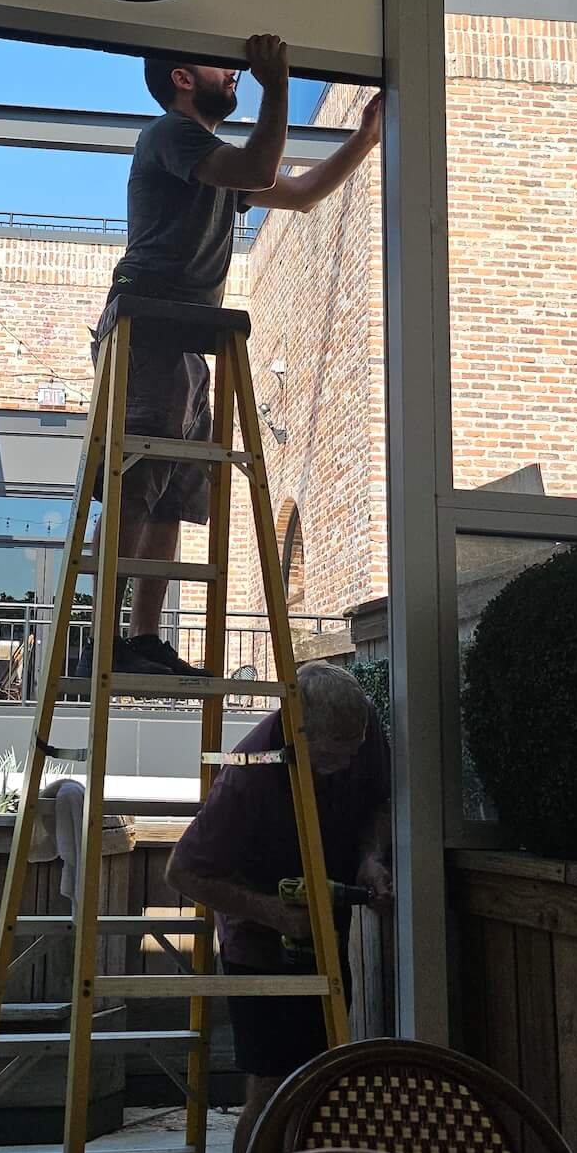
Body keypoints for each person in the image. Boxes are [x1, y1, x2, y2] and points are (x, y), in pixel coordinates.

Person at [89, 37, 384, 676]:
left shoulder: (217, 162)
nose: (234, 73)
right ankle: (103, 640)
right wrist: (277, 85)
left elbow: (300, 193)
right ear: (182, 78)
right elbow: (256, 168)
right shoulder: (169, 135)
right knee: (135, 487)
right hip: (146, 326)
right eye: (219, 65)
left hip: (192, 338)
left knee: (171, 498)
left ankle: (143, 640)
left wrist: (364, 138)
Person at [164, 660, 394, 1153]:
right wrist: (270, 912)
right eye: (331, 754)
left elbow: (377, 799)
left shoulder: (363, 731)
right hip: (259, 945)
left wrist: (368, 860)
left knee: (323, 1085)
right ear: (298, 732)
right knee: (269, 1089)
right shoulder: (249, 775)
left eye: (352, 751)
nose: (345, 762)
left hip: (325, 936)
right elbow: (185, 870)